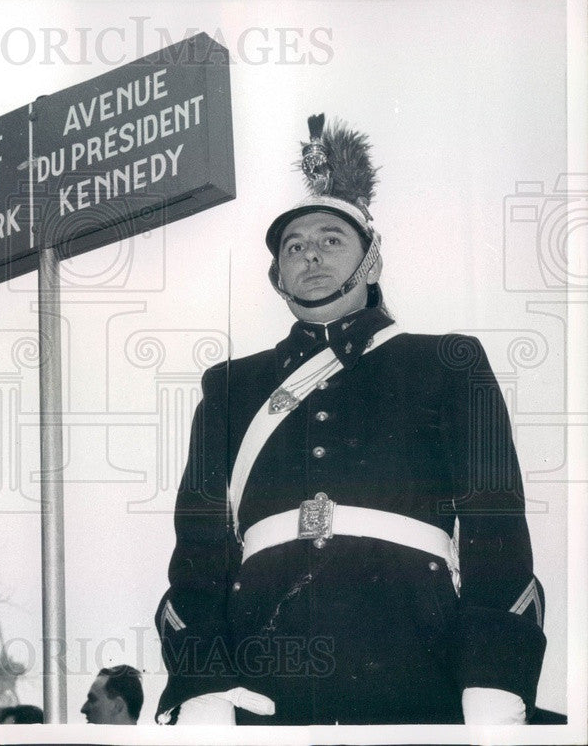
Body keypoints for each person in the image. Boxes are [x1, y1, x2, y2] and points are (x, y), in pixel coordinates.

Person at [154, 115, 547, 725]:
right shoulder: (231, 388)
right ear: (277, 275)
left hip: (418, 667)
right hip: (261, 685)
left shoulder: (448, 362)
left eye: (331, 240)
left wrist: (495, 677)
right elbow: (199, 552)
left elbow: (496, 529)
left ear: (371, 260)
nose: (310, 254)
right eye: (294, 247)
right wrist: (201, 681)